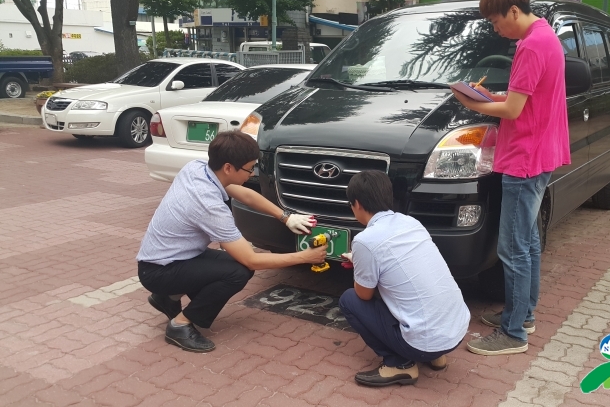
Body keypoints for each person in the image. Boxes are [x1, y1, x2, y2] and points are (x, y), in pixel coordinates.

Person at [450, 0, 570, 355]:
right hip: (541, 151)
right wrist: (489, 96)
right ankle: (524, 314)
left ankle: (514, 332)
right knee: (529, 242)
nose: (496, 29)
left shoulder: (531, 45)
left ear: (514, 11)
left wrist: (473, 104)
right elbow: (524, 98)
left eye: (497, 21)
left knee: (513, 248)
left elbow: (513, 111)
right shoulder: (544, 36)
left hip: (525, 157)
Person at [137, 131, 327, 352]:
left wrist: (285, 217)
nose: (252, 172)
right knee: (238, 271)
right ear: (228, 167)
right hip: (159, 270)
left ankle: (167, 297)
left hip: (172, 258)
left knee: (232, 265)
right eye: (249, 168)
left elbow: (244, 194)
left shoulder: (198, 168)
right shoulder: (209, 205)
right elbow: (251, 260)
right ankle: (180, 325)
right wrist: (305, 257)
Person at [337, 170, 470, 387]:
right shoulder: (410, 222)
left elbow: (363, 294)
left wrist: (361, 267)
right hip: (456, 330)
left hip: (424, 342)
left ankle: (400, 364)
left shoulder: (365, 241)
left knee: (349, 300)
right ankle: (435, 357)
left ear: (357, 204)